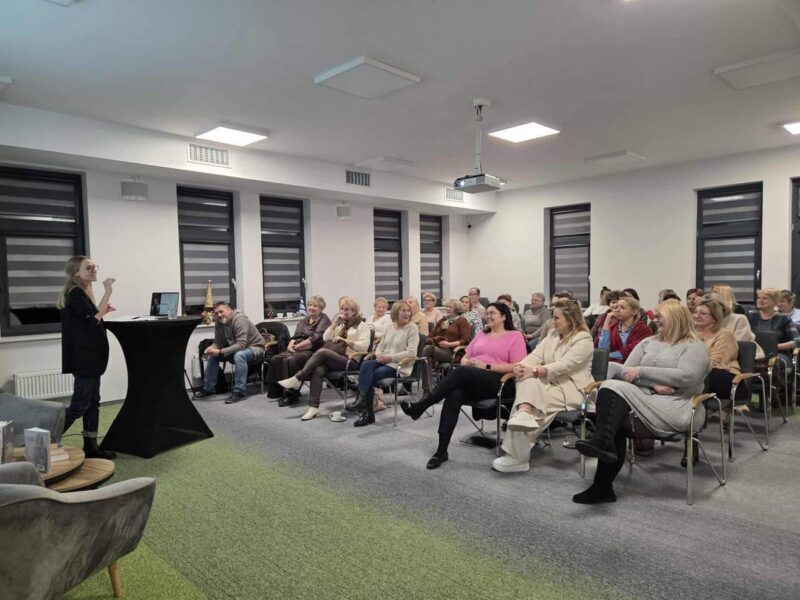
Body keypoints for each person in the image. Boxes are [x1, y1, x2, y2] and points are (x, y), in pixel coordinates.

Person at [574, 301, 710, 504]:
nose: (655, 320)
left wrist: (642, 371)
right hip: (645, 401)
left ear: (675, 318)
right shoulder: (648, 342)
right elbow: (625, 372)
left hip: (678, 407)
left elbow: (686, 377)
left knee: (611, 397)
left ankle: (602, 454)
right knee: (614, 417)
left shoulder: (694, 346)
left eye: (660, 317)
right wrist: (653, 384)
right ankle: (602, 484)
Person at [400, 303, 527, 469]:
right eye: (487, 313)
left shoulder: (515, 336)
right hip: (473, 377)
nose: (488, 316)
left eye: (492, 313)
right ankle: (441, 451)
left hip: (499, 381)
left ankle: (422, 405)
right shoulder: (482, 334)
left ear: (504, 316)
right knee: (454, 394)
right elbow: (465, 357)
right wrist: (469, 363)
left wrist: (486, 366)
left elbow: (517, 366)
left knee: (460, 371)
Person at [492, 298, 594, 473]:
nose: (552, 321)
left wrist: (535, 371)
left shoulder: (584, 339)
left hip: (572, 389)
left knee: (536, 405)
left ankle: (517, 457)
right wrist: (521, 366)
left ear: (571, 319)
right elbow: (535, 356)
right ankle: (524, 415)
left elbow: (565, 365)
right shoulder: (553, 335)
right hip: (548, 382)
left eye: (556, 318)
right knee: (526, 382)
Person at [58, 255, 117, 459]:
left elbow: (89, 319)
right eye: (88, 268)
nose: (93, 270)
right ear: (76, 272)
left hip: (90, 358)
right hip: (85, 359)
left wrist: (102, 311)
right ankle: (44, 441)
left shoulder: (81, 292)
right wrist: (108, 291)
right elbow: (92, 320)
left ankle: (91, 447)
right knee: (79, 406)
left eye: (94, 267)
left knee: (92, 403)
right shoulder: (75, 293)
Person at [279, 296, 371, 421]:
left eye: (347, 309)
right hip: (335, 357)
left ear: (354, 311)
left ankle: (298, 378)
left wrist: (346, 341)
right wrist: (334, 324)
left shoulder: (362, 326)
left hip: (351, 360)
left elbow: (364, 346)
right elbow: (325, 338)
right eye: (342, 309)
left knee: (322, 352)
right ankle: (313, 407)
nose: (344, 312)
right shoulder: (340, 325)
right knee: (318, 370)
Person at [352, 300, 419, 427]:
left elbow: (411, 353)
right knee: (365, 365)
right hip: (383, 360)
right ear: (395, 312)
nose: (407, 314)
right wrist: (378, 355)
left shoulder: (412, 328)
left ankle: (366, 412)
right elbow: (380, 345)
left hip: (398, 365)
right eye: (403, 311)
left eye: (408, 311)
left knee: (369, 376)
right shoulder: (389, 326)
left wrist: (390, 357)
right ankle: (362, 403)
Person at [264, 295, 331, 406]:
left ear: (321, 308)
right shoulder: (306, 319)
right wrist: (290, 345)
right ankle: (278, 391)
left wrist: (298, 347)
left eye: (315, 306)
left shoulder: (324, 320)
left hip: (313, 350)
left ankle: (292, 393)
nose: (311, 307)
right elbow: (295, 336)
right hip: (298, 347)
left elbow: (315, 339)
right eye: (310, 305)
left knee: (291, 360)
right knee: (275, 359)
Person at [196, 302, 265, 403]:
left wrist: (220, 351)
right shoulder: (219, 323)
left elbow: (241, 344)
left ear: (229, 310)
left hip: (255, 348)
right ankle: (208, 388)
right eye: (216, 313)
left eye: (221, 311)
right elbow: (218, 342)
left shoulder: (240, 320)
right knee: (213, 356)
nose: (219, 315)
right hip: (238, 349)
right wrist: (211, 348)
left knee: (239, 355)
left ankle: (239, 392)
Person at [420, 299, 472, 393]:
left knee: (427, 350)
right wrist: (436, 339)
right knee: (427, 358)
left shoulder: (462, 320)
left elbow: (466, 340)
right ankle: (428, 391)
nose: (447, 309)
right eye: (446, 307)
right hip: (437, 349)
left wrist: (449, 344)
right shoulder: (443, 320)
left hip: (452, 352)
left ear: (456, 309)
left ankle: (429, 391)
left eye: (450, 307)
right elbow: (430, 336)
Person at [749, 288, 798, 364]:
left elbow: (797, 341)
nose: (760, 300)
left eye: (765, 298)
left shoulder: (783, 318)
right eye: (759, 298)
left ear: (775, 302)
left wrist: (775, 347)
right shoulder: (750, 316)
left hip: (778, 354)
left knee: (774, 362)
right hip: (755, 353)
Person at [597, 294, 651, 363]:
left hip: (633, 365)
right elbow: (603, 349)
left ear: (634, 312)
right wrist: (607, 321)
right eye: (616, 307)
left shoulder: (644, 330)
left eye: (622, 308)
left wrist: (608, 355)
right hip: (612, 365)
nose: (616, 310)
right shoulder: (613, 327)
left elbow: (631, 351)